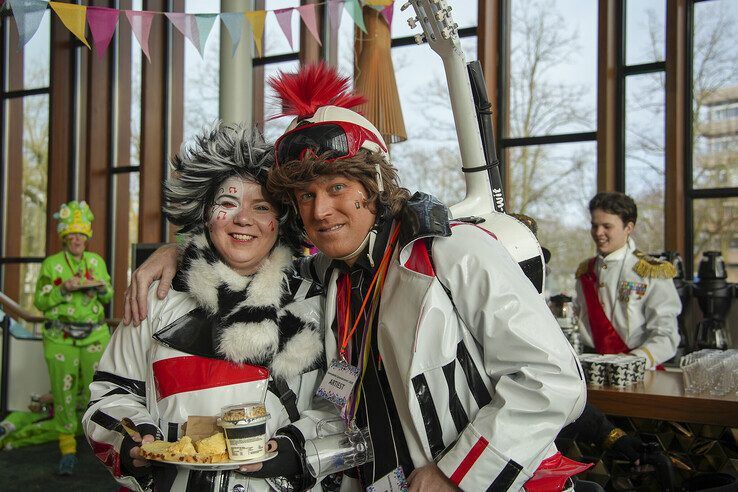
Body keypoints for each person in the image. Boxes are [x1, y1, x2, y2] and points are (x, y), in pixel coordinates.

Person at [124, 64, 588, 491]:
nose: (320, 210)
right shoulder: (333, 278)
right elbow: (248, 260)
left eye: (337, 187)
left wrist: (456, 474)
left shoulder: (454, 252)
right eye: (305, 195)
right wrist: (180, 253)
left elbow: (551, 379)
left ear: (377, 185)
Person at [82, 124, 324, 491]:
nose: (244, 219)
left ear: (282, 221)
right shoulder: (157, 294)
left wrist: (297, 448)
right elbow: (110, 392)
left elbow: (343, 408)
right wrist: (131, 438)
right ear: (205, 213)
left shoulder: (316, 302)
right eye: (228, 204)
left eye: (262, 207)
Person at [33, 200, 113, 475]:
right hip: (61, 338)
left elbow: (109, 295)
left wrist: (99, 288)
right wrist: (64, 289)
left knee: (99, 389)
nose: (77, 239)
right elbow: (40, 302)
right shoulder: (52, 264)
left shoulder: (96, 261)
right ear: (65, 237)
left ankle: (99, 443)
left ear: (86, 237)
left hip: (94, 335)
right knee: (62, 391)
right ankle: (67, 448)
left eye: (81, 234)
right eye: (72, 234)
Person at [574, 192, 681, 369]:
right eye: (594, 226)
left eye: (607, 226)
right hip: (591, 370)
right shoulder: (586, 271)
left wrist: (631, 362)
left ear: (628, 228)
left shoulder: (650, 271)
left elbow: (666, 336)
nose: (598, 233)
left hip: (637, 372)